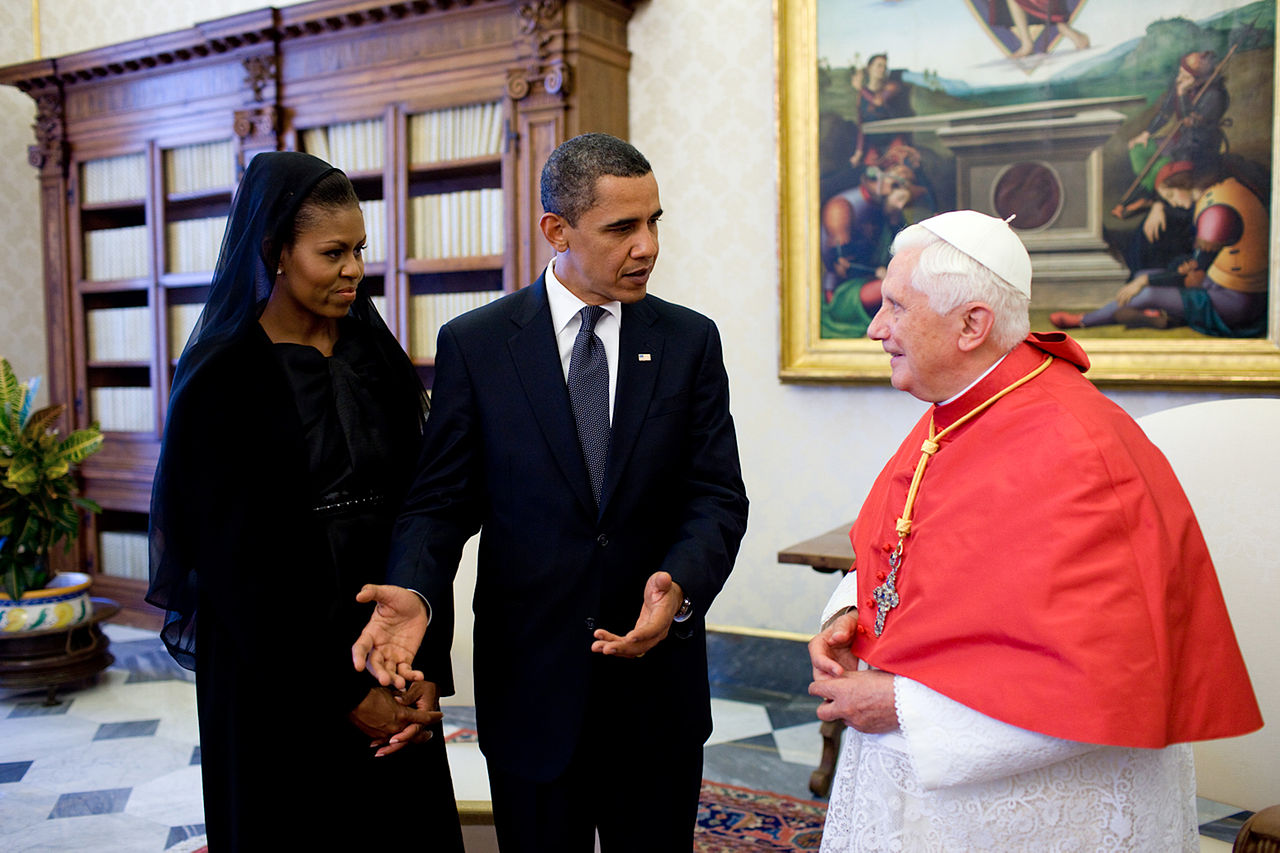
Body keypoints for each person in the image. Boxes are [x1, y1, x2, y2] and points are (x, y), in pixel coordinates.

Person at [808, 210, 1262, 852]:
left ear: (973, 324)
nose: (876, 329)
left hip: (1037, 815)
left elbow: (1109, 672)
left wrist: (904, 707)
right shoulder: (965, 405)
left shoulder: (1076, 449)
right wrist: (851, 611)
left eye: (896, 307)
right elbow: (902, 543)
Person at [350, 133, 749, 852]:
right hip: (529, 687)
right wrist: (416, 588)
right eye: (622, 227)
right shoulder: (478, 343)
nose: (648, 246)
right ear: (556, 231)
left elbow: (717, 493)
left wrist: (682, 584)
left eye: (655, 221)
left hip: (654, 689)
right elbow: (439, 502)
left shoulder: (690, 341)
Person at [147, 151, 464, 851]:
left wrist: (420, 671)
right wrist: (345, 695)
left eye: (359, 250)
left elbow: (421, 511)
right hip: (277, 669)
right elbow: (237, 569)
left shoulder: (375, 357)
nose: (354, 268)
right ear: (275, 253)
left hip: (387, 645)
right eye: (333, 252)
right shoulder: (220, 380)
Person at [1053, 159, 1268, 336]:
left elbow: (1195, 275)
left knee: (1147, 292)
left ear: (1184, 184)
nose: (1173, 203)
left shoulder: (1216, 213)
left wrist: (1145, 282)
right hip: (1220, 282)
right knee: (1145, 274)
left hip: (1238, 302)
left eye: (1172, 196)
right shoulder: (1221, 190)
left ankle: (1083, 321)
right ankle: (1155, 313)